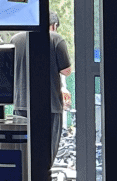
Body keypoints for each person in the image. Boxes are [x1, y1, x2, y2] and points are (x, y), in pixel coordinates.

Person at [10, 10, 73, 167]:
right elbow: (66, 70)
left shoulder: (15, 39)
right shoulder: (56, 39)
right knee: (46, 154)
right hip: (50, 106)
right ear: (54, 25)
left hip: (21, 104)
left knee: (24, 153)